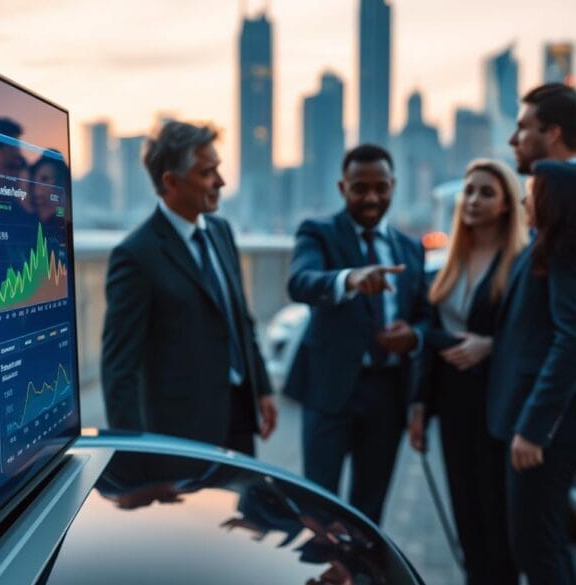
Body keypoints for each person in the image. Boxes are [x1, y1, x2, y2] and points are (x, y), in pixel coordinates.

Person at [489, 83, 576, 585]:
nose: (514, 139)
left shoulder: (563, 191)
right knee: (539, 545)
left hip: (554, 423)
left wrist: (534, 426)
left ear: (553, 133)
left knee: (536, 548)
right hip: (561, 417)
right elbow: (551, 319)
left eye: (524, 128)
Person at [100, 120, 277, 455]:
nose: (221, 182)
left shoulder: (222, 232)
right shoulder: (136, 255)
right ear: (171, 182)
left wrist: (263, 389)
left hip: (239, 416)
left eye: (218, 169)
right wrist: (135, 456)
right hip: (182, 434)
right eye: (208, 172)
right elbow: (118, 369)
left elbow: (241, 319)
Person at [284, 144, 430, 523]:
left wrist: (413, 335)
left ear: (393, 186)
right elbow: (301, 281)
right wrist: (349, 279)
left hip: (388, 395)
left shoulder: (411, 248)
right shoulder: (318, 232)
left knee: (369, 511)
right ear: (341, 187)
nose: (371, 197)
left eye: (380, 187)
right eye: (359, 188)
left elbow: (426, 317)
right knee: (317, 508)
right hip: (330, 391)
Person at [407, 158, 527, 585]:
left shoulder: (521, 263)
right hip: (453, 404)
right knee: (466, 516)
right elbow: (431, 335)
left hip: (498, 406)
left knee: (498, 520)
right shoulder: (448, 260)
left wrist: (491, 346)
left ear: (507, 205)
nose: (474, 200)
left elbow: (534, 337)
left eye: (486, 192)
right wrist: (420, 404)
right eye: (470, 191)